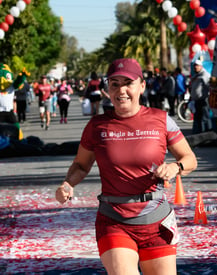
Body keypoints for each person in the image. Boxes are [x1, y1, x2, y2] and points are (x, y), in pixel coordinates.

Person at [55, 58, 197, 275]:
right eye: (114, 84)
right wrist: (68, 183)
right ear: (107, 89)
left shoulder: (161, 120)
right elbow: (81, 165)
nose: (121, 90)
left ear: (141, 86)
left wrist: (175, 167)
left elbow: (189, 158)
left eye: (128, 83)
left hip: (157, 220)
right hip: (114, 220)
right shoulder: (97, 126)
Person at [190, 59, 212, 134]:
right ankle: (199, 135)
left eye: (197, 65)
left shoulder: (205, 75)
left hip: (203, 100)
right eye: (195, 66)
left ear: (201, 66)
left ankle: (206, 135)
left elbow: (209, 86)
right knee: (198, 118)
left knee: (204, 118)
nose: (196, 67)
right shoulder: (196, 75)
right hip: (197, 100)